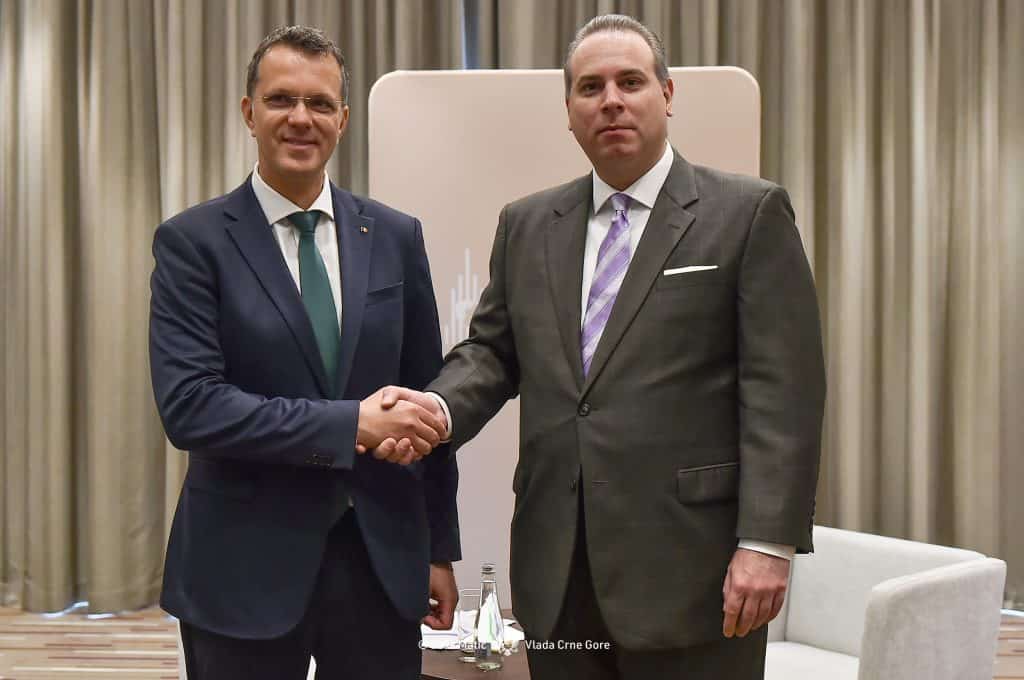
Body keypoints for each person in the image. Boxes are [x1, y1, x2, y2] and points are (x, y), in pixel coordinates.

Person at [376, 14, 825, 680]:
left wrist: (767, 542)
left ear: (666, 94)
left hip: (694, 573)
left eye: (630, 82)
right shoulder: (528, 223)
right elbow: (492, 353)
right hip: (558, 572)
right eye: (590, 87)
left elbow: (784, 393)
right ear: (569, 111)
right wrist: (436, 411)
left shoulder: (747, 213)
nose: (610, 100)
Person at [148, 25, 458, 680]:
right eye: (281, 99)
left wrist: (438, 548)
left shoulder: (395, 236)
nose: (300, 118)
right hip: (241, 572)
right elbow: (193, 408)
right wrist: (352, 426)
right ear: (248, 112)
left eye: (319, 103)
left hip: (380, 564)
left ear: (342, 120)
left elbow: (426, 397)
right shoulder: (193, 243)